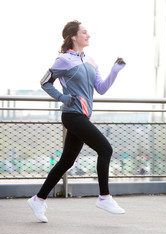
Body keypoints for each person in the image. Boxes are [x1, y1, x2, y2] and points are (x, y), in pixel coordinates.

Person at [27, 20, 126, 223]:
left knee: (67, 161)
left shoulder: (90, 61)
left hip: (83, 115)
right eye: (84, 32)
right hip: (72, 115)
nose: (88, 35)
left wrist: (115, 71)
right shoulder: (63, 60)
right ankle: (104, 197)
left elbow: (101, 88)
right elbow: (45, 81)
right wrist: (62, 98)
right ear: (74, 36)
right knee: (105, 149)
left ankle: (38, 199)